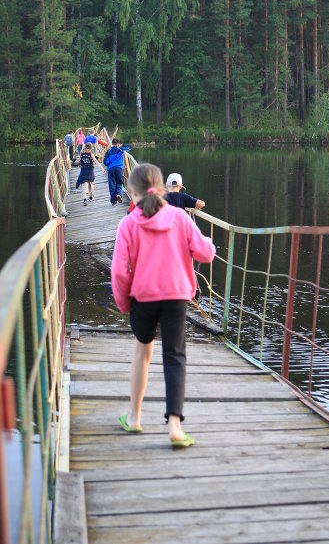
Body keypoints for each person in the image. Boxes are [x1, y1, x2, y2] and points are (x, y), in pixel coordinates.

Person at [111, 163, 215, 447]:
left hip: (143, 298)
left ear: (132, 193)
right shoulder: (180, 218)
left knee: (143, 350)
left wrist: (124, 303)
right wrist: (206, 245)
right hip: (176, 297)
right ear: (162, 189)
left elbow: (120, 272)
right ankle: (175, 427)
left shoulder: (128, 224)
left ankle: (134, 418)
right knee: (175, 355)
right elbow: (204, 253)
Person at [103, 137, 131, 205]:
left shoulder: (109, 151)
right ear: (118, 144)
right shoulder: (120, 149)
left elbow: (105, 162)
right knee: (119, 182)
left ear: (112, 144)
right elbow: (129, 147)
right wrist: (121, 145)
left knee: (112, 184)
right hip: (119, 168)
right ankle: (119, 194)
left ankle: (113, 200)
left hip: (111, 169)